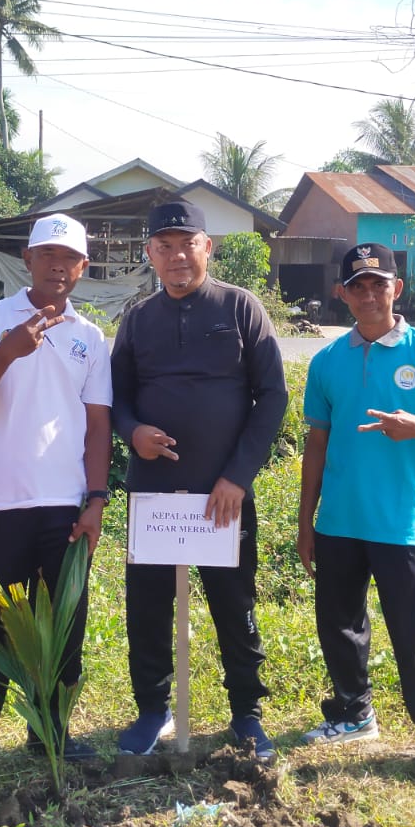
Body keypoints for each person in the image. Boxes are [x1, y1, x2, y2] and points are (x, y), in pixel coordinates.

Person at [295, 242, 415, 795]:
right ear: (342, 294)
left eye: (379, 284)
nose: (369, 294)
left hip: (401, 522)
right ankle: (354, 713)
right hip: (338, 521)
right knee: (339, 625)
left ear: (397, 289)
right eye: (358, 286)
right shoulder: (328, 361)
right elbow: (316, 445)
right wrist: (306, 522)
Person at [0, 212, 112, 784]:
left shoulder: (90, 338)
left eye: (70, 259)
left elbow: (98, 426)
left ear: (83, 268)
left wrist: (96, 500)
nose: (58, 267)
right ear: (28, 259)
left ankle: (50, 732)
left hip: (65, 506)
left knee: (65, 625)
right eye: (48, 256)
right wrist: (8, 351)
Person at [110, 199, 289, 759]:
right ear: (150, 254)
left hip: (223, 497)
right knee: (147, 607)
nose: (177, 256)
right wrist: (133, 431)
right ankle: (152, 710)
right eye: (163, 247)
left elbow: (272, 397)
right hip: (154, 496)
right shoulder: (137, 319)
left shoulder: (241, 308)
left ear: (207, 247)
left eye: (187, 244)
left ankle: (247, 714)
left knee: (234, 605)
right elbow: (116, 399)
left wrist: (238, 476)